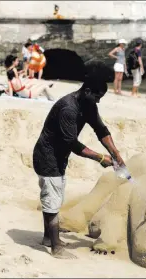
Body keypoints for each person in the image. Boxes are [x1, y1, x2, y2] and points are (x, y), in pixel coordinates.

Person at [33, 77, 126, 259]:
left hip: (59, 158)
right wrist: (100, 158)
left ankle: (48, 238)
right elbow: (72, 144)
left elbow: (101, 130)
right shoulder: (68, 108)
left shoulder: (89, 106)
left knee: (54, 196)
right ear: (87, 91)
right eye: (97, 96)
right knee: (52, 198)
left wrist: (116, 154)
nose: (99, 101)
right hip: (47, 157)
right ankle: (56, 248)